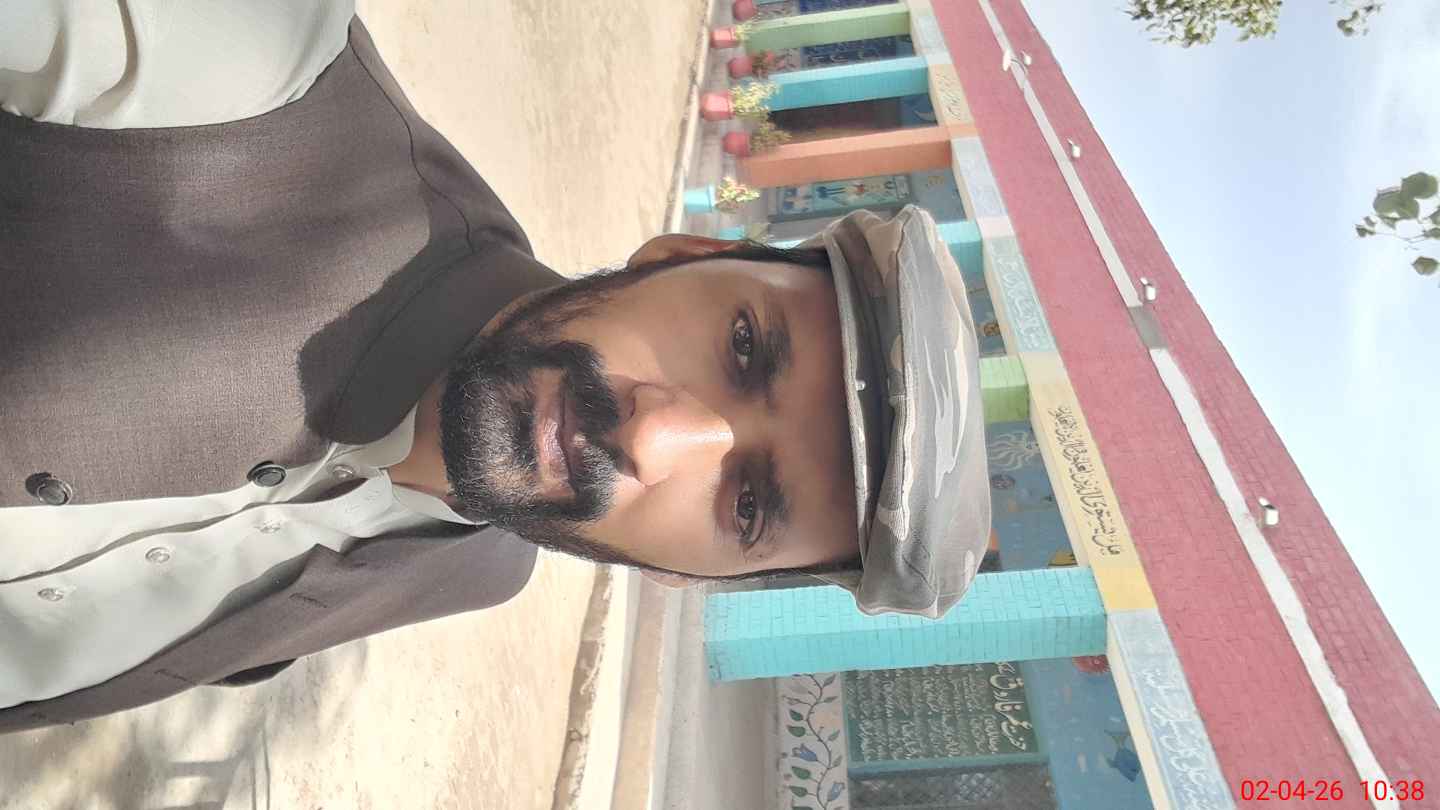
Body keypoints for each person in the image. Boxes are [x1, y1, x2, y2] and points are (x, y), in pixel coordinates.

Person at [0, 1, 989, 733]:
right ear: (682, 255)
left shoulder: (473, 568)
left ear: (685, 576)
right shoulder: (248, 79)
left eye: (748, 505)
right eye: (743, 346)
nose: (654, 436)